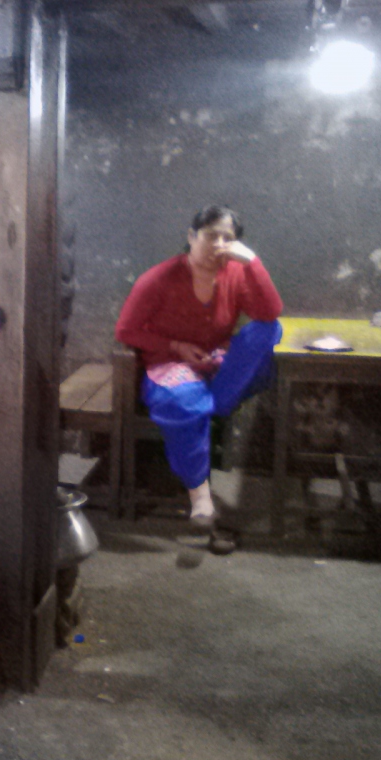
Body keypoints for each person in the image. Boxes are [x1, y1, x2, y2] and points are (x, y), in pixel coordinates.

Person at [115, 205, 283, 529]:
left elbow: (270, 313)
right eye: (210, 235)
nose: (218, 244)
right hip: (170, 364)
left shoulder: (235, 273)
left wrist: (252, 262)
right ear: (192, 237)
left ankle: (211, 402)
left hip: (216, 362)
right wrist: (175, 346)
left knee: (269, 329)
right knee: (183, 402)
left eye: (227, 238)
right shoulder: (159, 278)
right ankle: (200, 495)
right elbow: (126, 331)